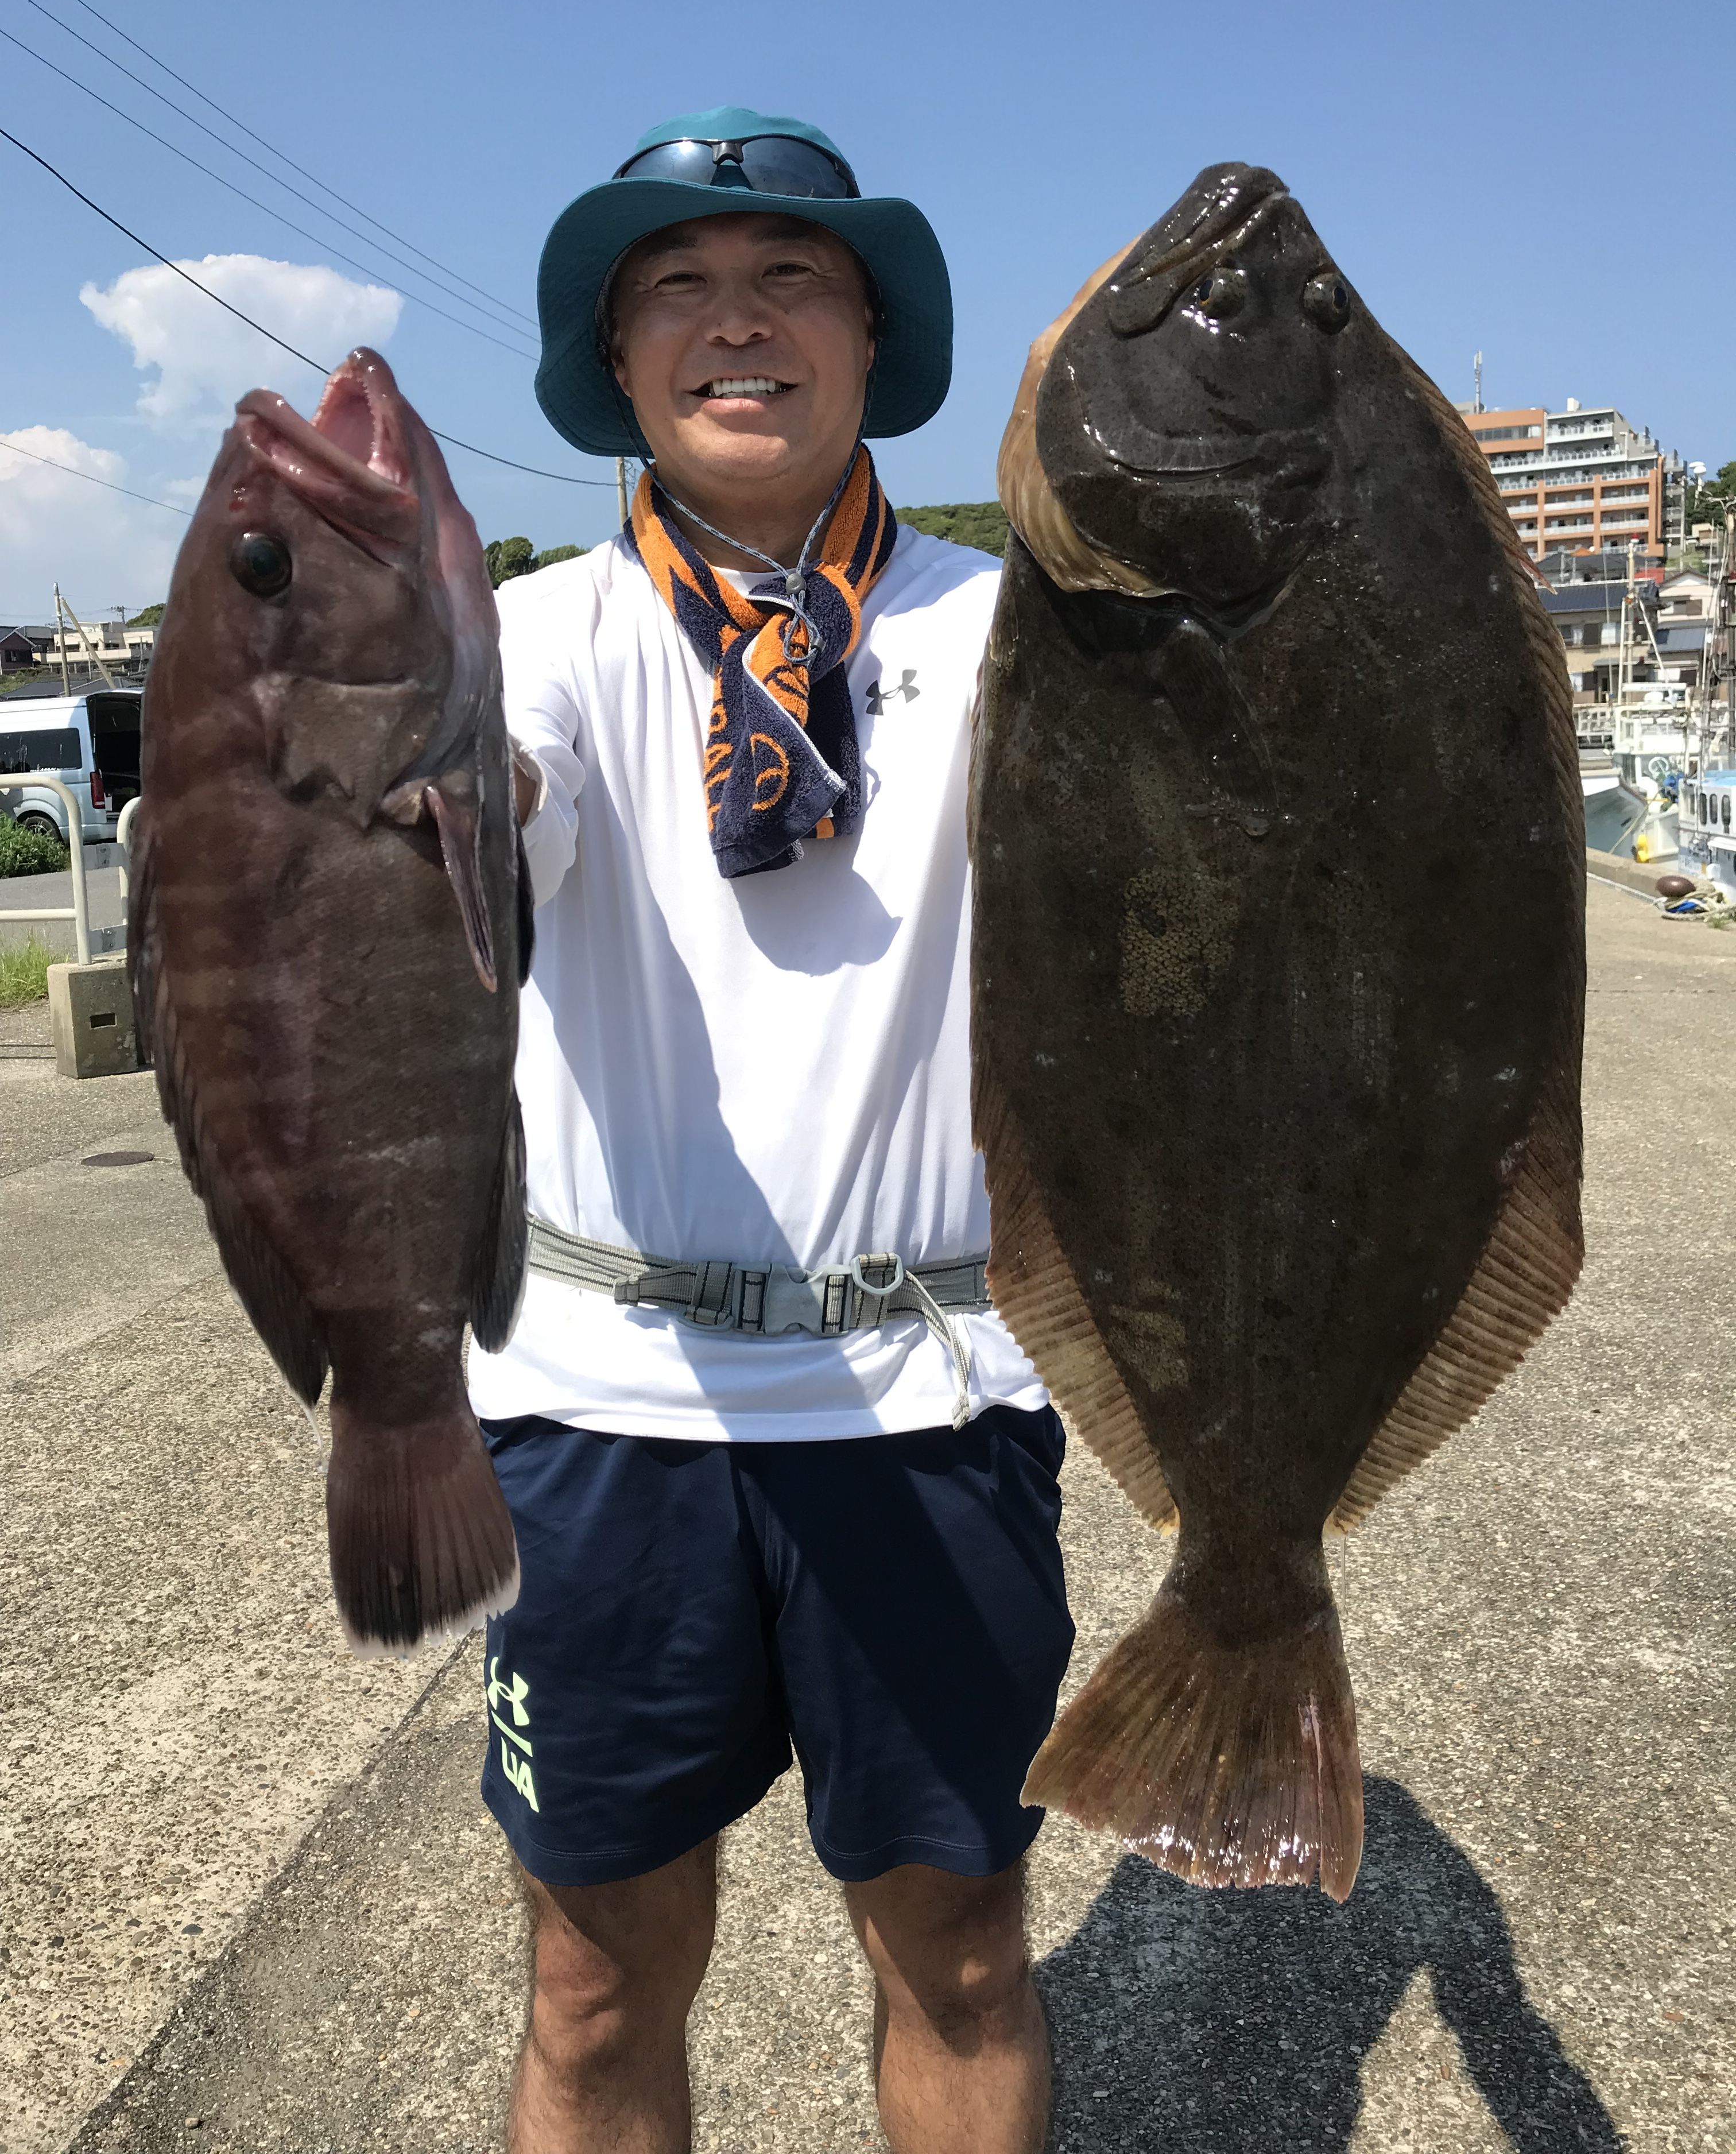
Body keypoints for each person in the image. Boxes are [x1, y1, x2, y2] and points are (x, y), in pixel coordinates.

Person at [470, 106, 1074, 2154]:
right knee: (589, 1987)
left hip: (934, 1388)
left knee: (964, 1957)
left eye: (791, 276)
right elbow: (499, 794)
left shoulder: (1028, 636)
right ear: (618, 358)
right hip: (595, 1402)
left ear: (872, 336)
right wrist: (434, 795)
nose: (736, 321)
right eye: (678, 286)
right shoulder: (528, 638)